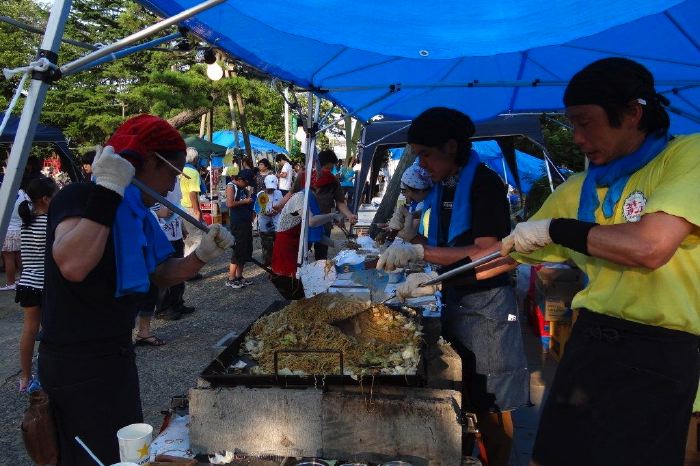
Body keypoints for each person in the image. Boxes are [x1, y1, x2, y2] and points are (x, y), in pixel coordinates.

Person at [499, 58, 700, 466]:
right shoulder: (581, 188)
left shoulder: (688, 156)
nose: (576, 137)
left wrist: (560, 230)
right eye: (571, 124)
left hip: (664, 349)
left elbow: (650, 247)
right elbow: (506, 251)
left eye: (585, 122)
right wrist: (425, 265)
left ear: (632, 113)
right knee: (552, 456)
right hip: (593, 338)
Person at [38, 114, 234, 466]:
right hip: (75, 362)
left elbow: (160, 272)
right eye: (171, 175)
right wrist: (108, 191)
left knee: (126, 452)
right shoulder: (81, 196)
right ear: (142, 162)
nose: (171, 188)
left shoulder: (140, 215)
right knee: (88, 456)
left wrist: (203, 255)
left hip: (116, 352)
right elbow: (72, 264)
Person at [377, 107, 528, 466]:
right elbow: (450, 244)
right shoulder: (445, 185)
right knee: (467, 393)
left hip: (487, 307)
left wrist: (421, 250)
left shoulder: (484, 184)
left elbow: (487, 256)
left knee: (493, 402)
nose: (421, 163)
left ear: (450, 146)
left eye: (425, 154)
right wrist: (416, 246)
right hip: (456, 300)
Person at [15, 177, 58, 392]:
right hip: (47, 283)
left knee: (29, 330)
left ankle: (25, 377)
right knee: (51, 330)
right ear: (45, 199)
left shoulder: (27, 220)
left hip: (27, 283)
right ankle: (47, 375)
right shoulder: (51, 222)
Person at [270, 185, 344, 300]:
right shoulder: (301, 198)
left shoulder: (308, 199)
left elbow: (315, 235)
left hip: (294, 245)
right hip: (286, 246)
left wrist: (336, 243)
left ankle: (298, 301)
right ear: (319, 191)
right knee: (291, 283)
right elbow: (312, 222)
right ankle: (294, 304)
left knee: (300, 282)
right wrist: (332, 215)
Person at [294, 149, 358, 260]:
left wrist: (349, 215)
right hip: (304, 224)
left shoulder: (334, 181)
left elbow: (340, 202)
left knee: (322, 256)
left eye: (331, 168)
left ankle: (320, 276)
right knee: (301, 257)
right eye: (327, 168)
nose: (328, 171)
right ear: (317, 164)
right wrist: (279, 206)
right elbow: (291, 194)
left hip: (324, 222)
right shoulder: (303, 177)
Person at [385, 162, 433, 242]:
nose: (405, 196)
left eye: (405, 191)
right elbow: (425, 211)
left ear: (420, 189)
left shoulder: (436, 200)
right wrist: (410, 216)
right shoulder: (429, 199)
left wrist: (412, 238)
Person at [226, 168, 256, 289]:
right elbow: (230, 204)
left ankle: (239, 276)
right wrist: (245, 201)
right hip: (237, 223)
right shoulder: (231, 186)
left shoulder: (243, 188)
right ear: (241, 179)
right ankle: (231, 278)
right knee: (238, 249)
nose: (247, 185)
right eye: (246, 183)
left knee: (245, 249)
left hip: (246, 221)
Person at [1, 185, 28, 291]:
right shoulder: (23, 195)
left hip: (8, 231)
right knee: (19, 256)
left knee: (8, 258)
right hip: (20, 229)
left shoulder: (5, 197)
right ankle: (23, 278)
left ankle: (10, 282)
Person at [255, 174, 283, 266]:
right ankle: (268, 262)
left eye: (273, 188)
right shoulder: (261, 194)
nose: (271, 190)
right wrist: (267, 213)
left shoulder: (278, 193)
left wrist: (278, 210)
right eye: (269, 188)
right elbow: (258, 209)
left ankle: (278, 261)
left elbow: (282, 205)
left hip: (277, 222)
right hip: (265, 223)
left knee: (279, 243)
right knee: (267, 244)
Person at [180, 147, 203, 256]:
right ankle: (188, 266)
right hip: (189, 208)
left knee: (187, 240)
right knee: (198, 240)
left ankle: (185, 266)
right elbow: (192, 193)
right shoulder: (193, 172)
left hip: (179, 208)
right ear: (194, 159)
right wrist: (197, 211)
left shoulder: (179, 170)